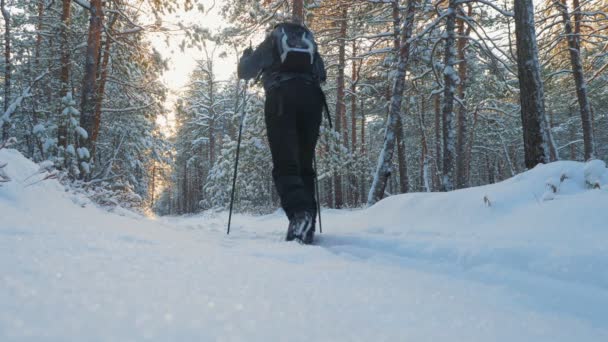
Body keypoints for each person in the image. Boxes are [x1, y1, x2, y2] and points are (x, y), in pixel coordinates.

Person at [237, 21, 327, 244]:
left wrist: (245, 55)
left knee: (286, 165)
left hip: (281, 100)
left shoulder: (270, 42)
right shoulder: (310, 45)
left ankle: (300, 215)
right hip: (313, 100)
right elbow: (322, 74)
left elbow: (245, 72)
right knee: (305, 166)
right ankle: (306, 225)